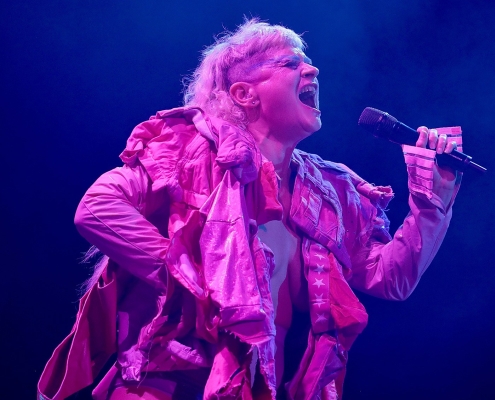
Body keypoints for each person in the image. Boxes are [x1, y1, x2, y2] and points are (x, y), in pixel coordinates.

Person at [38, 18, 462, 400]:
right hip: (163, 386)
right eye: (291, 63)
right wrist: (187, 276)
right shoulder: (190, 150)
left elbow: (388, 277)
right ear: (244, 94)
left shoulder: (329, 190)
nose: (312, 70)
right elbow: (97, 207)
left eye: (308, 62)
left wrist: (433, 203)